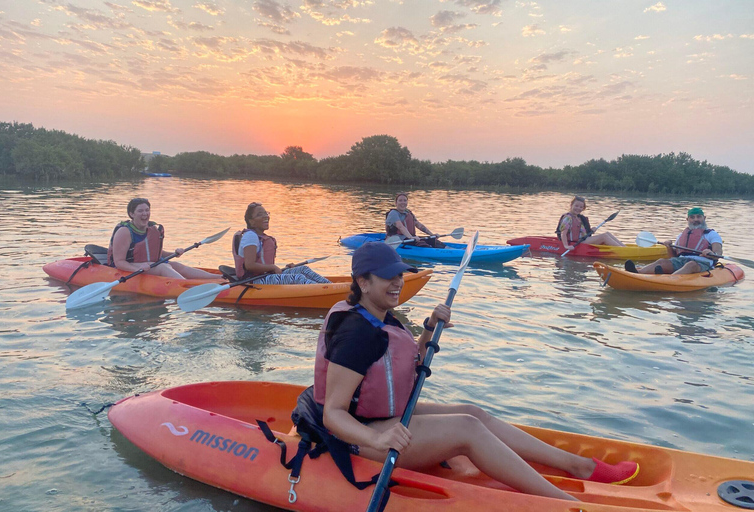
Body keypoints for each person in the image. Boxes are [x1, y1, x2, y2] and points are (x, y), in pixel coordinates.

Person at [290, 242, 639, 501]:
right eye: (387, 278)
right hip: (356, 435)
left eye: (399, 275)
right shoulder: (355, 333)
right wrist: (378, 439)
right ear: (363, 282)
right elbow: (334, 414)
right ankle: (568, 505)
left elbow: (398, 370)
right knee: (467, 429)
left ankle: (579, 466)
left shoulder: (378, 313)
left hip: (379, 417)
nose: (397, 283)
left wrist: (428, 330)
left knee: (473, 412)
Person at [108, 198, 217, 279]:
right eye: (140, 211)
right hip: (129, 266)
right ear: (131, 214)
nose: (145, 214)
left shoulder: (151, 229)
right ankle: (187, 287)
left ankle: (218, 278)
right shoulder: (124, 232)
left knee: (176, 266)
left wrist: (174, 253)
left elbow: (155, 253)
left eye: (147, 210)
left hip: (148, 264)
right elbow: (119, 262)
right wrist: (137, 269)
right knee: (163, 267)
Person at [233, 202, 331, 285]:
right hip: (253, 281)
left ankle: (330, 286)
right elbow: (249, 265)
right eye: (259, 215)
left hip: (266, 275)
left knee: (303, 269)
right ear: (251, 221)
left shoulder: (260, 236)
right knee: (298, 278)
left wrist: (279, 268)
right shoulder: (250, 236)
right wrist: (273, 267)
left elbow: (264, 264)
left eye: (266, 213)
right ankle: (327, 291)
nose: (265, 216)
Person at [625, 207, 722, 275]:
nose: (695, 219)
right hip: (681, 260)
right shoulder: (681, 235)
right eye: (692, 217)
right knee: (661, 261)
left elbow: (718, 252)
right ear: (687, 219)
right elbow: (674, 257)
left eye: (698, 217)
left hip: (702, 263)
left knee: (690, 265)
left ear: (704, 218)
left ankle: (669, 279)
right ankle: (637, 273)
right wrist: (669, 247)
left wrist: (711, 253)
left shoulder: (711, 234)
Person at [556, 196, 624, 250]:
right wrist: (566, 246)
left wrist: (591, 231)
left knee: (607, 234)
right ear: (571, 205)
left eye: (581, 207)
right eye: (576, 206)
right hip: (577, 242)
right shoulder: (568, 218)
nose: (578, 208)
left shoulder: (579, 217)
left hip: (583, 239)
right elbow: (563, 233)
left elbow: (580, 232)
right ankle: (623, 250)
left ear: (583, 208)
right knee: (604, 237)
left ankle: (625, 248)